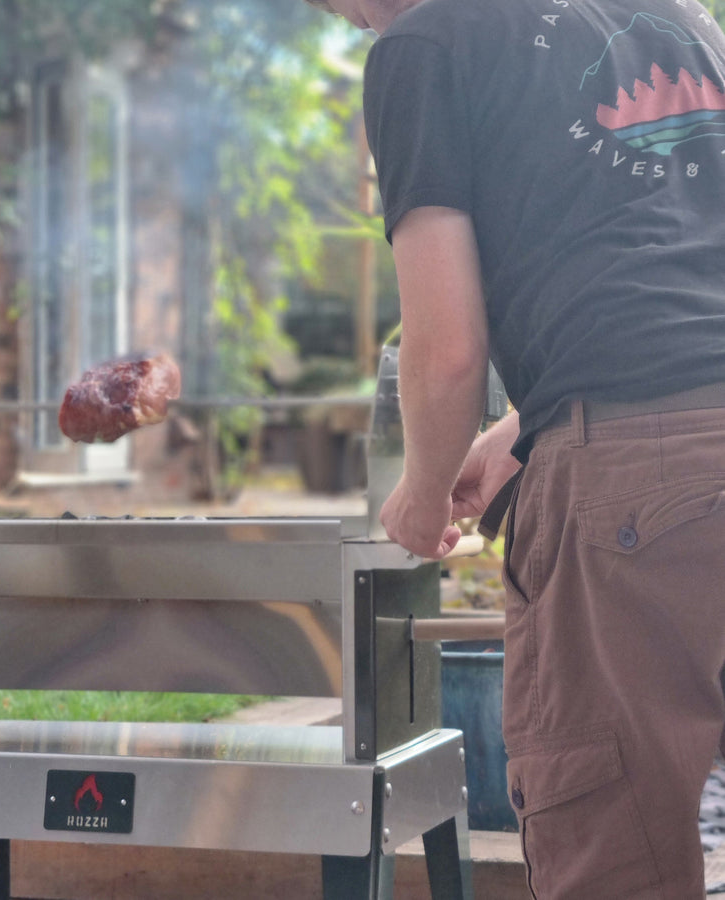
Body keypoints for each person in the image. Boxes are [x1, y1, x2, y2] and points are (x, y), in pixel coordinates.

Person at [304, 0, 725, 897]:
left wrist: (422, 493)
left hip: (634, 499)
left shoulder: (424, 44)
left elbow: (448, 350)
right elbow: (677, 277)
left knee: (616, 863)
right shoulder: (683, 18)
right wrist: (521, 433)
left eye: (348, 13)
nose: (359, 25)